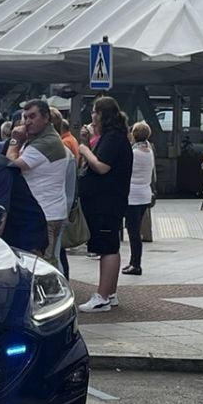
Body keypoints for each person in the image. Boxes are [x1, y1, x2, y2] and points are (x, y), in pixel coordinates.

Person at [74, 96, 132, 313]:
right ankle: (110, 291)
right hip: (104, 200)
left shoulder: (114, 138)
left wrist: (84, 150)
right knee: (108, 245)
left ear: (102, 115)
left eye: (94, 112)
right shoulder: (110, 137)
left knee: (108, 247)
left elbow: (102, 166)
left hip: (106, 201)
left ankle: (103, 296)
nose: (92, 116)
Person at [7, 99, 70, 265]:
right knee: (44, 261)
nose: (27, 122)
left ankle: (51, 292)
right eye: (25, 117)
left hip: (45, 214)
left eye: (32, 117)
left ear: (46, 117)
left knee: (42, 265)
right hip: (44, 211)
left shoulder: (46, 142)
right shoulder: (38, 139)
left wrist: (14, 141)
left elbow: (10, 166)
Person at [123, 121, 155, 277]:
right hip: (144, 194)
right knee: (134, 229)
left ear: (134, 135)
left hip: (133, 195)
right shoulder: (149, 151)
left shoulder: (133, 153)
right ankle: (133, 262)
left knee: (133, 231)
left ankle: (135, 264)